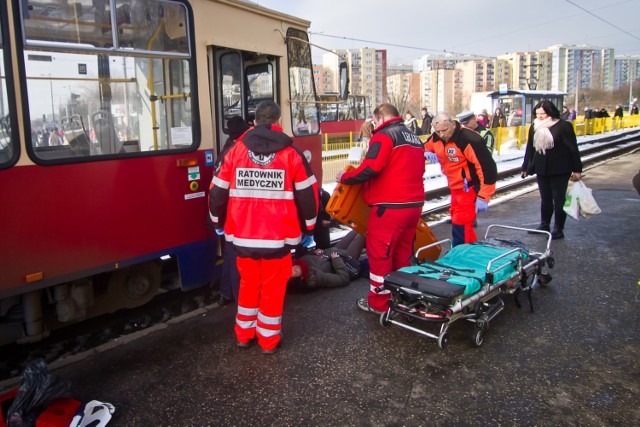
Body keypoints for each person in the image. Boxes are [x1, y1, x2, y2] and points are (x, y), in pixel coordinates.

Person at [209, 101, 319, 354]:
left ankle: (244, 335)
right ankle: (268, 340)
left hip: (242, 237)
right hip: (278, 239)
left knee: (247, 284)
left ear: (254, 121)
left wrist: (217, 223)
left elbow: (217, 193)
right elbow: (308, 196)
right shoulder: (291, 153)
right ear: (278, 120)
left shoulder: (235, 151)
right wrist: (310, 228)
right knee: (273, 288)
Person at [336, 103, 425, 315]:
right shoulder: (414, 138)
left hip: (389, 207)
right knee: (402, 254)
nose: (374, 124)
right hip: (413, 206)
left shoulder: (385, 136)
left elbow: (371, 168)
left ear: (381, 117)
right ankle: (401, 296)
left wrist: (345, 178)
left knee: (380, 255)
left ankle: (379, 304)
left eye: (375, 121)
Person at [424, 113, 497, 246]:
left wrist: (484, 195)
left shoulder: (469, 139)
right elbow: (425, 145)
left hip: (469, 187)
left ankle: (461, 252)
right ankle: (468, 252)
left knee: (461, 222)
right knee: (460, 221)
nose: (441, 134)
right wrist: (425, 151)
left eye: (444, 130)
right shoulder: (436, 138)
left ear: (453, 124)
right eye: (438, 131)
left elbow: (487, 167)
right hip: (455, 187)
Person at [520, 100, 582, 240]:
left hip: (560, 168)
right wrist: (525, 167)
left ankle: (558, 228)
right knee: (545, 198)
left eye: (543, 113)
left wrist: (577, 170)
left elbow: (573, 148)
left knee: (559, 199)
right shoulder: (535, 126)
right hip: (542, 167)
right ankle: (544, 224)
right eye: (538, 113)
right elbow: (530, 147)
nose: (540, 116)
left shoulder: (563, 126)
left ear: (550, 112)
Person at [213, 116, 251, 306]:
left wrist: (216, 220)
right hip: (236, 210)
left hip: (228, 211)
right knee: (236, 254)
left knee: (230, 252)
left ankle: (226, 293)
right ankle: (238, 299)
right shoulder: (238, 151)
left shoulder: (227, 148)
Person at [290, 231, 366, 289]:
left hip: (333, 251)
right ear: (302, 278)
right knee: (363, 233)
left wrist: (314, 252)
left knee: (355, 230)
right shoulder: (315, 277)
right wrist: (336, 260)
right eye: (295, 271)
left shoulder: (299, 262)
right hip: (346, 260)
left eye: (291, 268)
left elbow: (314, 259)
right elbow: (343, 278)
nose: (294, 268)